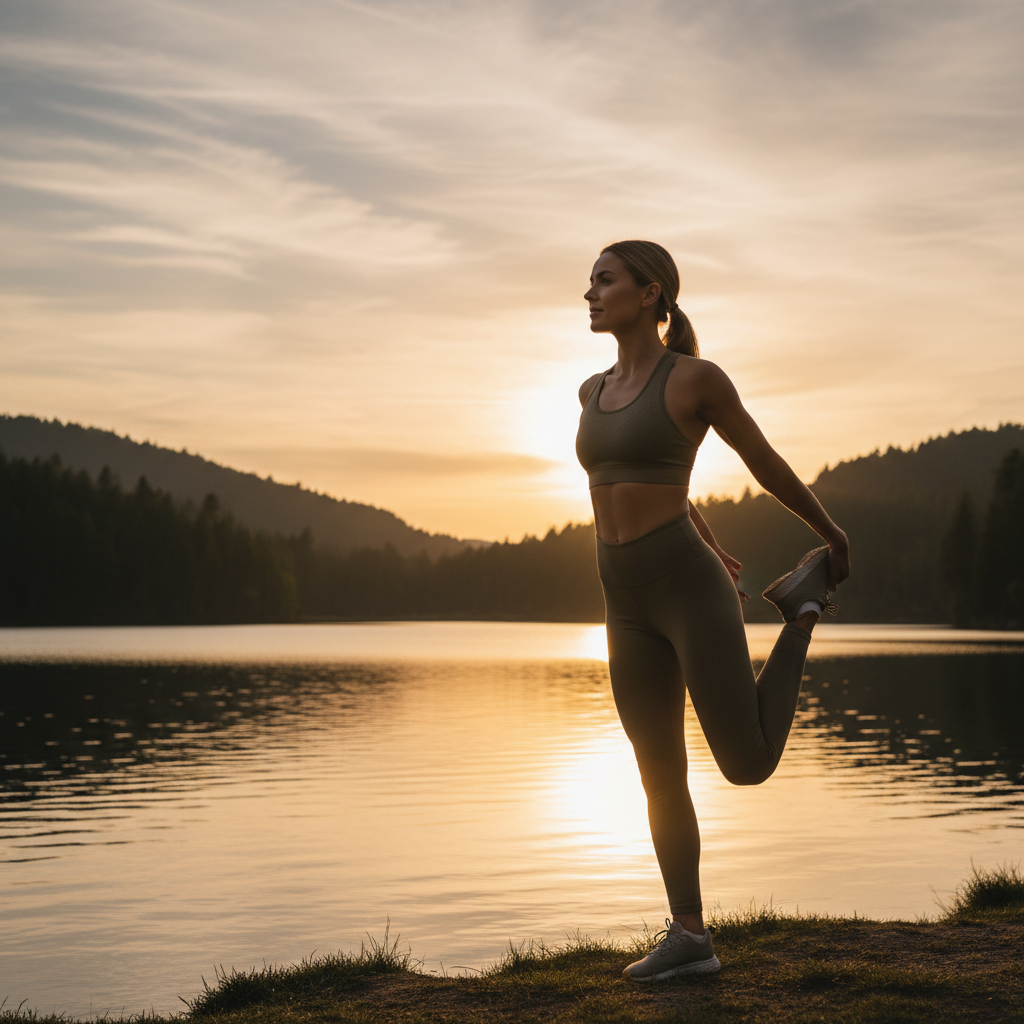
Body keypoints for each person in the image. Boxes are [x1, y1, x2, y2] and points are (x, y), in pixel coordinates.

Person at [576, 240, 850, 981]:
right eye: (590, 281)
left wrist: (829, 534)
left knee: (746, 763)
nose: (590, 293)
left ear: (649, 292)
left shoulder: (695, 379)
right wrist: (707, 532)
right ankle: (689, 935)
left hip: (683, 589)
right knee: (656, 769)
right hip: (622, 596)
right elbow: (651, 479)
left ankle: (801, 611)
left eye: (605, 279)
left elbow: (761, 460)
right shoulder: (590, 391)